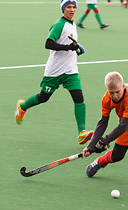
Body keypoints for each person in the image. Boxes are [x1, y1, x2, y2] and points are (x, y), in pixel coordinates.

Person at [14, 0, 93, 145]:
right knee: (43, 97)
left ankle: (81, 133)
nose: (72, 10)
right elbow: (48, 43)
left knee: (79, 97)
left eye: (74, 7)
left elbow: (70, 44)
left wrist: (75, 48)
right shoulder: (59, 24)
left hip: (70, 70)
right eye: (69, 7)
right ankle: (22, 107)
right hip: (54, 71)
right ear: (63, 9)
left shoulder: (72, 24)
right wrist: (68, 48)